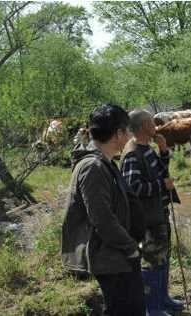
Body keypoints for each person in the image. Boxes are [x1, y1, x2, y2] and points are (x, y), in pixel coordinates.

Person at [62, 104, 145, 316]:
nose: (129, 136)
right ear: (118, 133)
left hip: (116, 253)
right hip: (110, 256)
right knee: (124, 310)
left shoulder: (104, 162)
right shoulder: (93, 167)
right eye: (127, 130)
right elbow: (102, 219)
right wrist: (130, 248)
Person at [122, 109, 183, 315]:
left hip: (159, 213)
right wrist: (160, 185)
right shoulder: (132, 153)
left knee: (163, 258)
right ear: (142, 126)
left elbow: (160, 171)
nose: (155, 124)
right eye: (150, 121)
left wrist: (164, 150)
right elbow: (134, 188)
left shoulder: (147, 148)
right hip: (147, 218)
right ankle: (152, 308)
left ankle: (163, 299)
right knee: (151, 263)